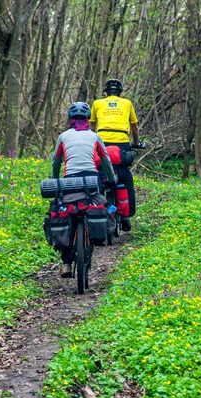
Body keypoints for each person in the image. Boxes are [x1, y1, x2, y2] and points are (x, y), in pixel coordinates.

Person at [52, 101, 116, 277]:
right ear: (88, 119)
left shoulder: (63, 137)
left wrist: (54, 179)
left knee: (67, 212)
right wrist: (111, 179)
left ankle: (66, 263)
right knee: (98, 205)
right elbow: (106, 161)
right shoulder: (95, 137)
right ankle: (94, 238)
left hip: (69, 181)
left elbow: (56, 162)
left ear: (70, 120)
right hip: (92, 180)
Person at [90, 79, 144, 231]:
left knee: (99, 176)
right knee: (125, 177)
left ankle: (96, 212)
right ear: (120, 94)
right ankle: (126, 214)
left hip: (102, 144)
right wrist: (136, 143)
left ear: (105, 93)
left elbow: (92, 126)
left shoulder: (97, 103)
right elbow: (134, 128)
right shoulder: (127, 103)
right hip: (121, 145)